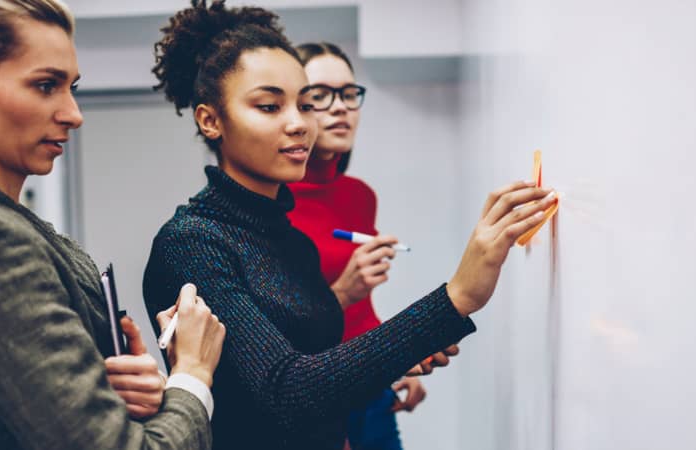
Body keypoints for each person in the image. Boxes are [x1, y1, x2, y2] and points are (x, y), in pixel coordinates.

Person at [142, 1, 558, 449]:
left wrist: (399, 352)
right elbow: (287, 394)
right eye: (269, 106)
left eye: (305, 105)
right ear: (210, 120)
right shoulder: (192, 243)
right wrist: (457, 297)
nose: (299, 124)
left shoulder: (291, 241)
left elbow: (317, 364)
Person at [0, 1, 226, 449]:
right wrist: (192, 375)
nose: (73, 113)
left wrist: (109, 387)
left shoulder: (12, 225)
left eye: (71, 87)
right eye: (45, 85)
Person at [287, 41, 425, 450]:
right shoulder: (271, 205)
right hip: (315, 401)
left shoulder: (360, 195)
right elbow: (272, 340)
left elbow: (362, 311)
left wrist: (398, 360)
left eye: (349, 94)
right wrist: (342, 290)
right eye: (321, 95)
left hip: (373, 386)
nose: (340, 106)